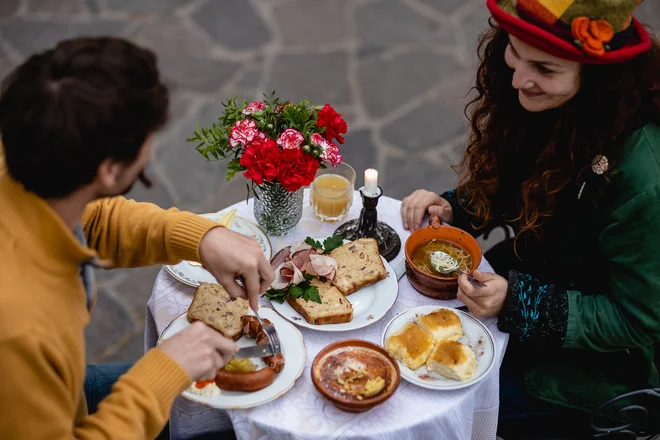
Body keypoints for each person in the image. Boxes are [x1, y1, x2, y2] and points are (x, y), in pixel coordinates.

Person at [401, 0, 659, 437]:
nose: (519, 79)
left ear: (597, 78)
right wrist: (457, 209)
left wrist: (523, 304)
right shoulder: (559, 107)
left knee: (420, 394)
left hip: (584, 375)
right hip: (524, 284)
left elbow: (639, 319)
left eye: (544, 68)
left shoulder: (645, 183)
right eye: (514, 54)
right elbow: (526, 187)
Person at [0, 37, 275, 439]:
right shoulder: (19, 328)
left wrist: (201, 237)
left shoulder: (21, 154)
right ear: (110, 172)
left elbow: (88, 218)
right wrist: (161, 375)